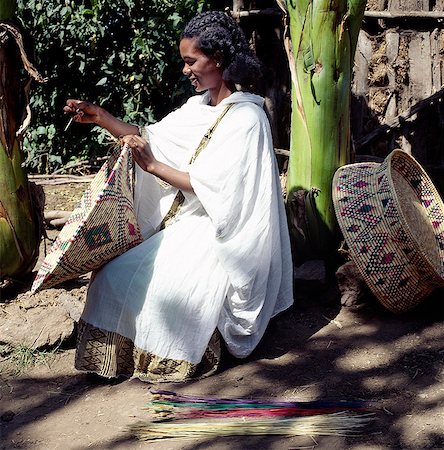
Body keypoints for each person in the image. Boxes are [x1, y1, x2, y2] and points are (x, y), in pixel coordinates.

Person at [64, 10, 293, 383]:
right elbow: (150, 136)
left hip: (223, 232)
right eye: (184, 61)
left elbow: (217, 189)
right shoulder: (197, 108)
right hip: (189, 221)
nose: (186, 69)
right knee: (111, 276)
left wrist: (152, 166)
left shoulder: (247, 119)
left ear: (217, 59)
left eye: (192, 61)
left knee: (174, 294)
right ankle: (120, 359)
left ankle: (190, 353)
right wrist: (101, 117)